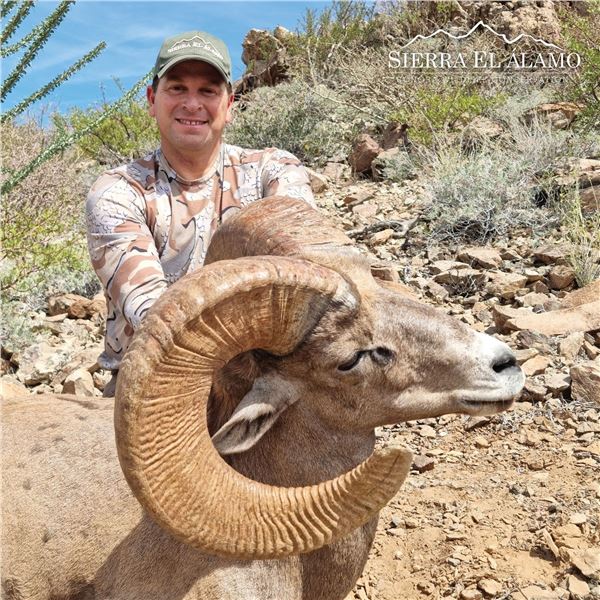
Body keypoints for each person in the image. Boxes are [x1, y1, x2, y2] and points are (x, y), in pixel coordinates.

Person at [86, 31, 316, 397]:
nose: (192, 104)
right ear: (152, 100)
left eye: (208, 91)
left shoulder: (274, 170)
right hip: (157, 386)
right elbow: (154, 317)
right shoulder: (118, 192)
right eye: (177, 88)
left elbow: (307, 276)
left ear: (229, 104)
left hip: (263, 384)